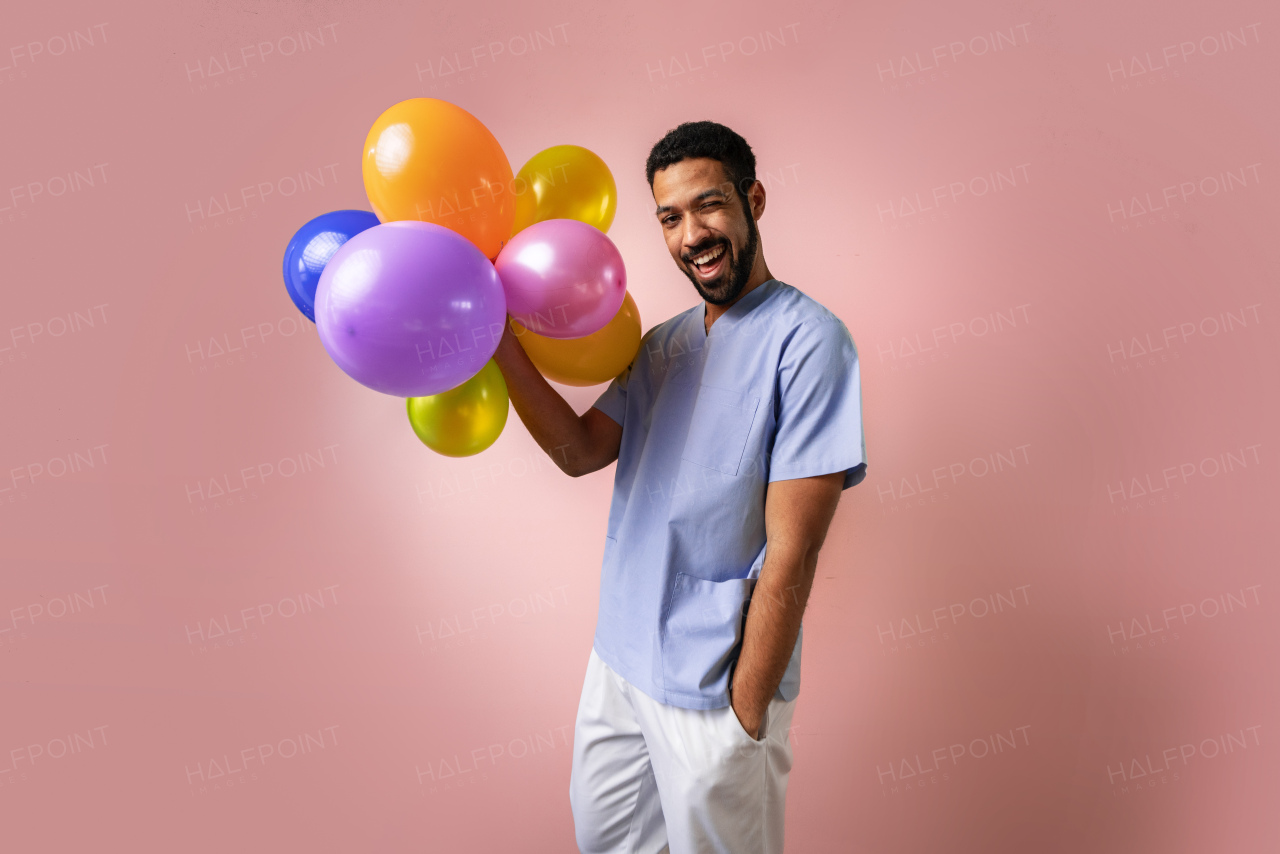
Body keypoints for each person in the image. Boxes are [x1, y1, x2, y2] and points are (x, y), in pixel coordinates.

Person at [491, 120, 867, 854]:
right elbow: (578, 452)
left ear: (753, 200)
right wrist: (499, 341)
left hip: (713, 685)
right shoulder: (663, 345)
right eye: (670, 217)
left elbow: (793, 550)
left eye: (709, 205)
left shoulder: (811, 342)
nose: (692, 233)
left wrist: (744, 712)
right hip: (619, 664)